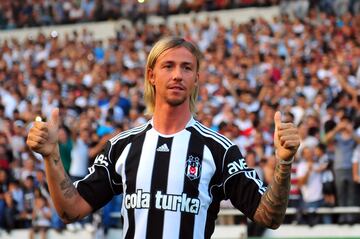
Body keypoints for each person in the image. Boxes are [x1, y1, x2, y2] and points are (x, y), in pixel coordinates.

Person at [26, 37, 300, 238]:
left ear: (196, 79)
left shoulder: (219, 150)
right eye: (168, 66)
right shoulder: (122, 147)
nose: (178, 75)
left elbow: (269, 217)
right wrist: (51, 156)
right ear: (151, 75)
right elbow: (70, 210)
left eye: (187, 68)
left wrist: (284, 164)